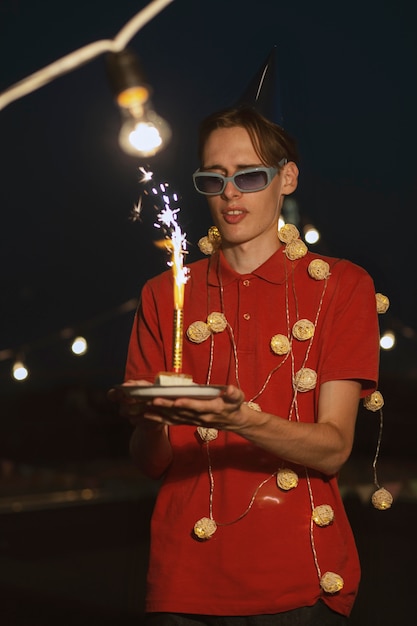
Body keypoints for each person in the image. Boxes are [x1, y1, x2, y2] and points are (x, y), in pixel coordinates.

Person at [113, 105, 380, 625]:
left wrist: (241, 419)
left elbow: (334, 449)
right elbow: (151, 463)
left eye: (249, 175)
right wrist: (149, 420)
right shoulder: (163, 295)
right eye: (213, 178)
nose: (230, 192)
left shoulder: (342, 287)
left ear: (287, 178)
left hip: (301, 580)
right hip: (183, 582)